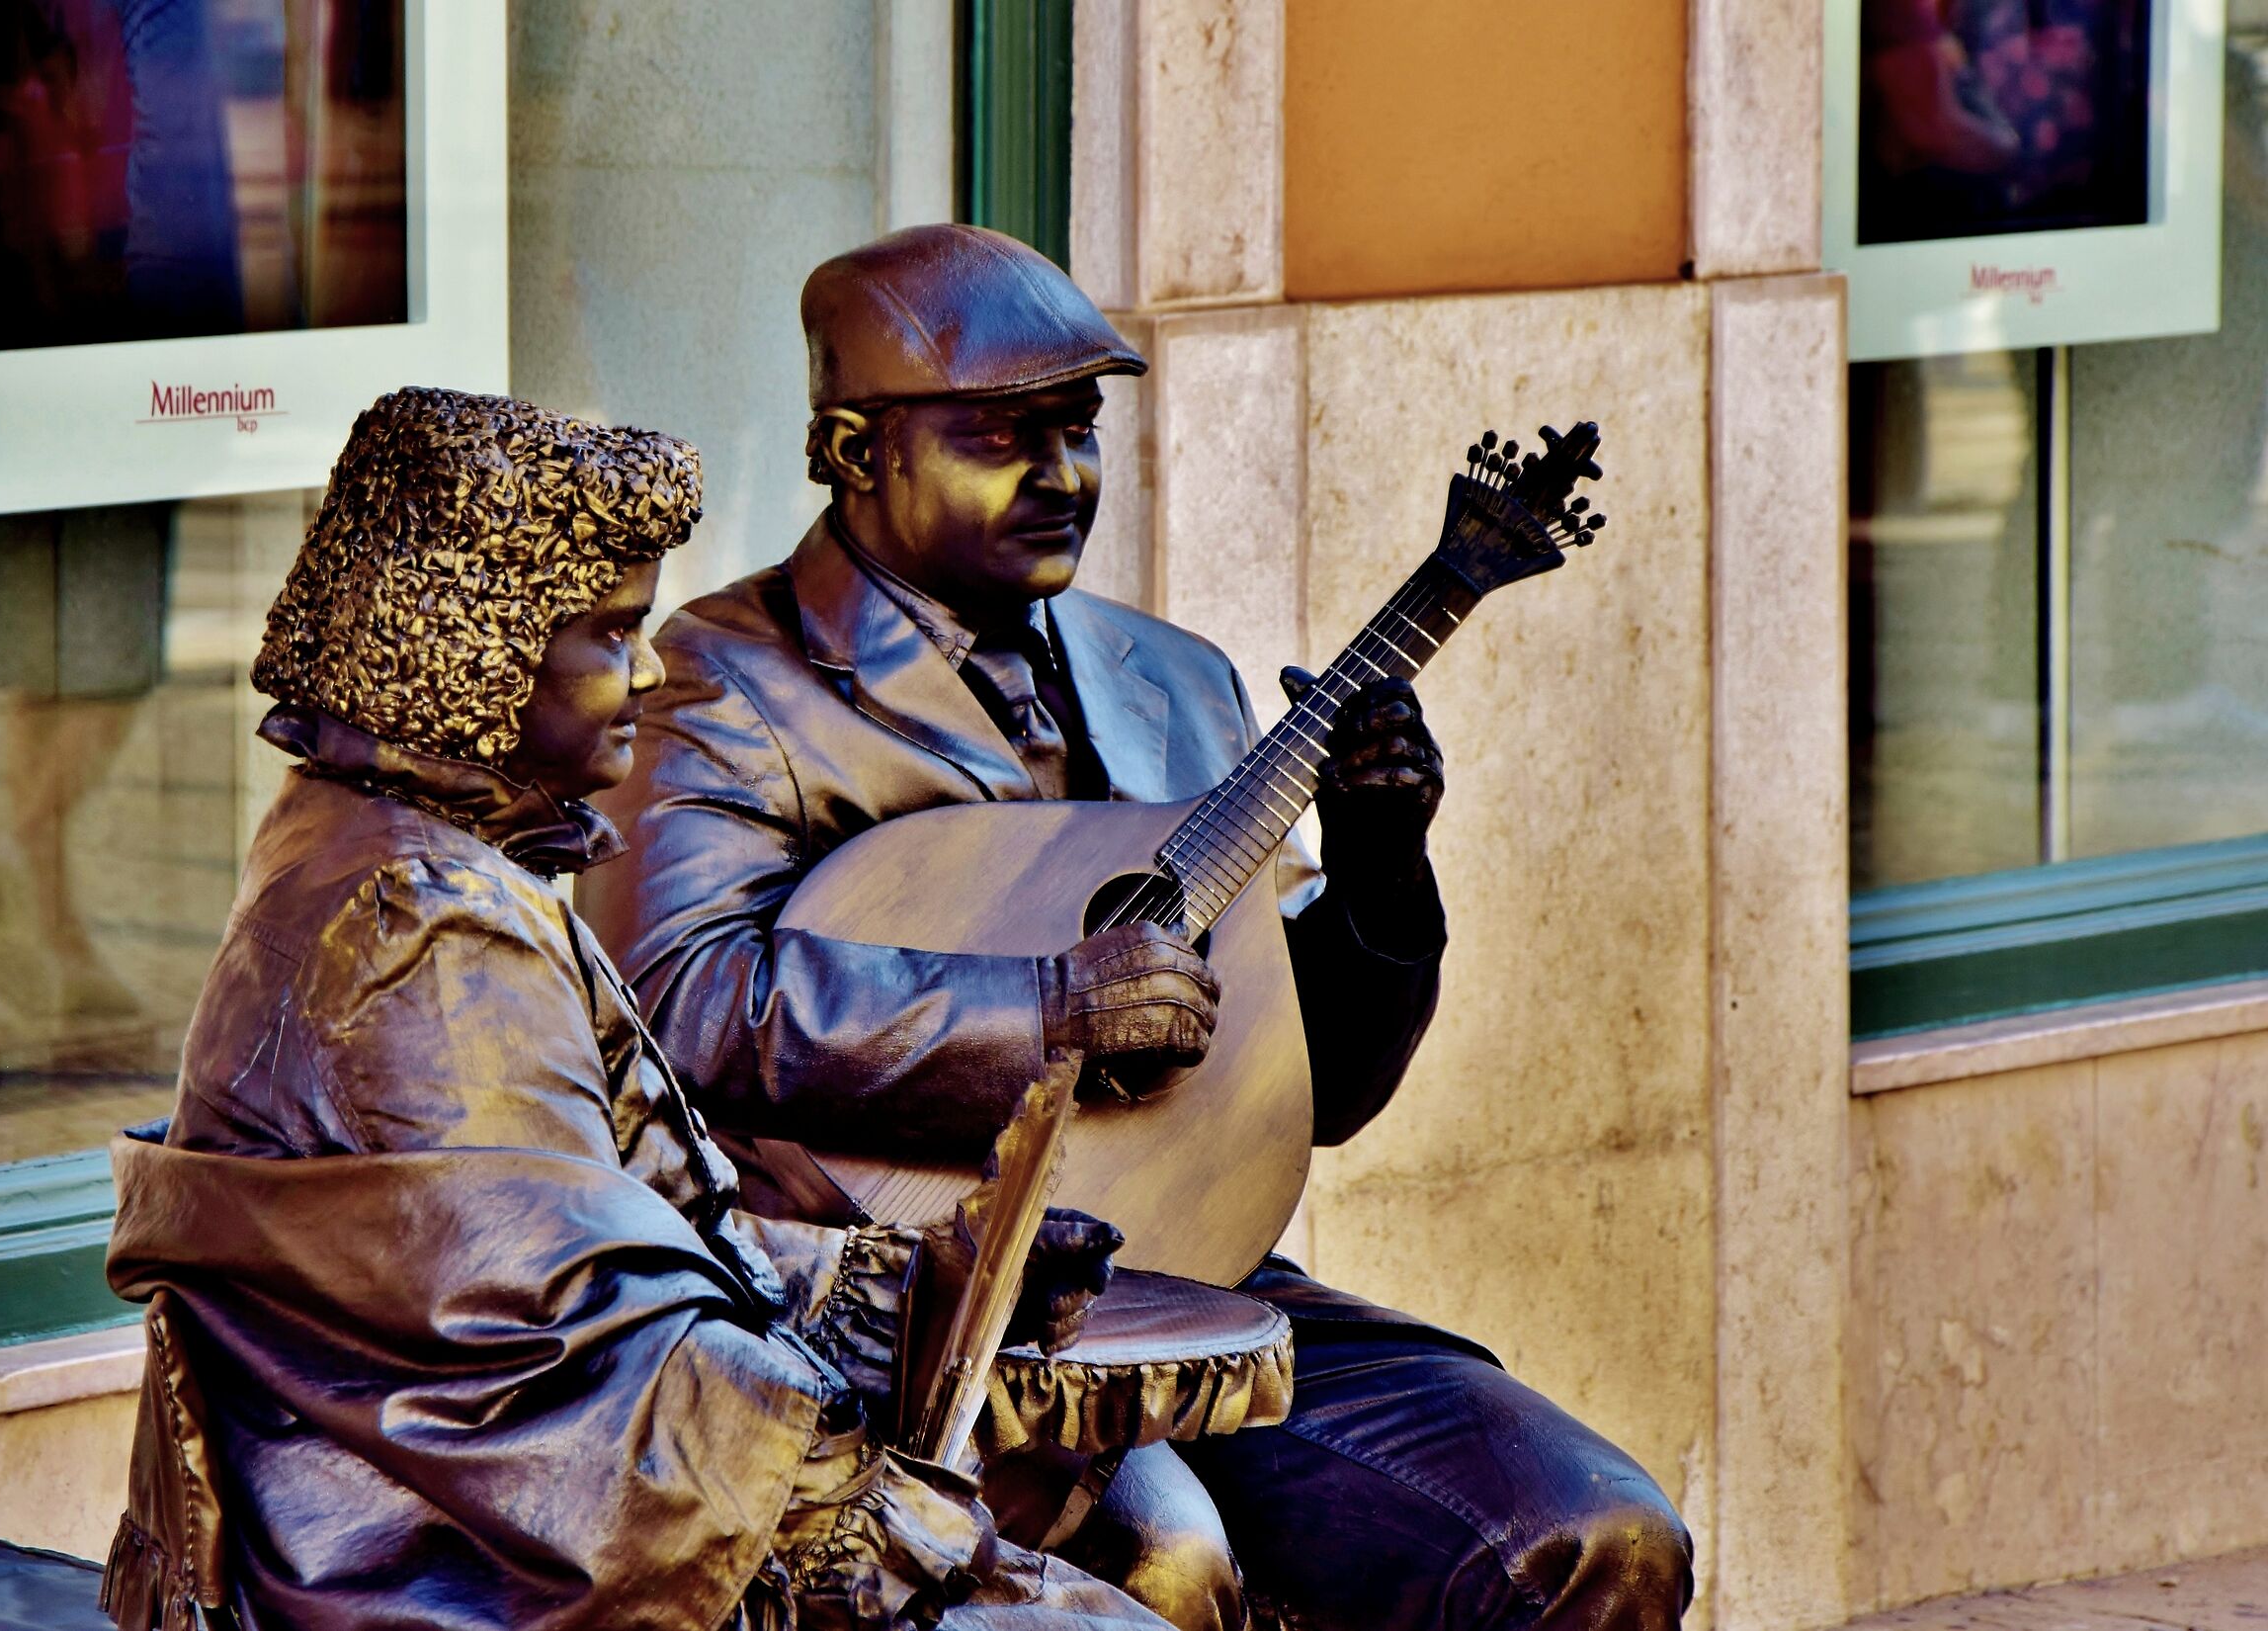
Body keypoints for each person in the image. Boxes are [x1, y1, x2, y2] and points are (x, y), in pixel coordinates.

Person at [576, 224, 1695, 1631]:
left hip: (1193, 1279)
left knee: (1599, 1533)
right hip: (903, 1308)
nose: (1062, 477)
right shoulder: (722, 687)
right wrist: (1046, 1007)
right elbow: (675, 1007)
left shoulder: (1172, 680)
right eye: (1003, 436)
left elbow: (1314, 1095)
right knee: (1160, 1567)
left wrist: (1380, 865)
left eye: (1080, 430)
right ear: (858, 450)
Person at [100, 385, 1174, 1631]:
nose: (653, 669)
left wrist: (912, 1286)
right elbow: (576, 1350)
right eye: (613, 632)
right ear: (483, 654)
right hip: (429, 1579)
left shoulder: (390, 854)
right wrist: (874, 1525)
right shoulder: (425, 923)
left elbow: (607, 1240)